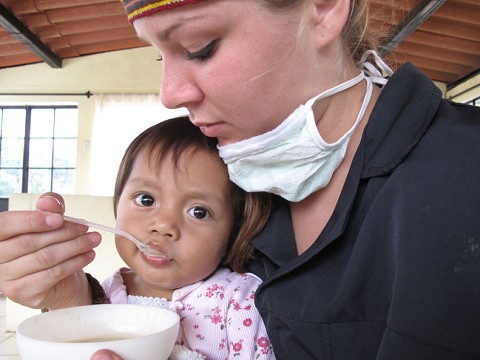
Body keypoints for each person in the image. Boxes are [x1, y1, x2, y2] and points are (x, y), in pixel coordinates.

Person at [0, 0, 479, 359]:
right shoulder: (243, 167)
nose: (169, 94)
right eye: (159, 57)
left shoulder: (465, 172)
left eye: (199, 47)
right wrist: (72, 298)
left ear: (324, 7)